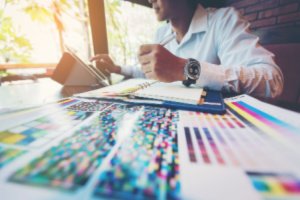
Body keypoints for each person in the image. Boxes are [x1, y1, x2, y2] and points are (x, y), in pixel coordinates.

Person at [90, 0, 283, 98]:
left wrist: (185, 69)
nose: (150, 0)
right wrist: (117, 69)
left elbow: (271, 79)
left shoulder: (223, 21)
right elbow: (149, 70)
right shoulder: (161, 34)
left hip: (214, 126)